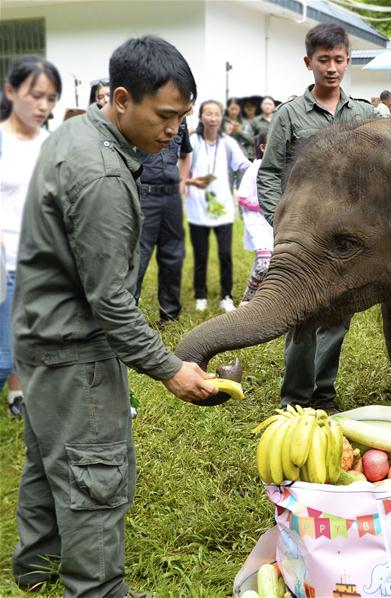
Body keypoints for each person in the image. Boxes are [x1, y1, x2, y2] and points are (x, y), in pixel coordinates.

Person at [11, 35, 213, 596]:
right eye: (165, 115)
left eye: (182, 118)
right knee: (94, 475)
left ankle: (36, 571)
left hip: (39, 333)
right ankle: (95, 589)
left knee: (49, 459)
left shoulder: (76, 130)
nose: (173, 131)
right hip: (74, 346)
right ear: (122, 99)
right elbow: (110, 301)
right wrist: (170, 367)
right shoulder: (101, 175)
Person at [257, 22, 377, 412]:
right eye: (323, 60)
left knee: (338, 315)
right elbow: (270, 172)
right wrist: (283, 223)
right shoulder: (290, 116)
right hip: (303, 237)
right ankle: (294, 399)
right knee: (299, 315)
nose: (331, 67)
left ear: (348, 62)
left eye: (339, 60)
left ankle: (323, 395)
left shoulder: (364, 114)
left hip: (344, 238)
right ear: (309, 62)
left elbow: (386, 164)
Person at [1, 55, 61, 419]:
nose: (44, 105)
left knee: (30, 336)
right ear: (10, 91)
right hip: (4, 259)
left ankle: (18, 393)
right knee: (4, 347)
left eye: (51, 98)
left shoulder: (53, 143)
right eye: (36, 95)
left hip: (40, 258)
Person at [184, 99, 251, 313]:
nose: (212, 118)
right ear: (201, 116)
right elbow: (183, 171)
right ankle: (200, 295)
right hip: (198, 207)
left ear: (221, 117)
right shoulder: (193, 141)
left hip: (222, 208)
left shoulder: (228, 143)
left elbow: (243, 165)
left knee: (224, 255)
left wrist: (258, 167)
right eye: (208, 114)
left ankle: (226, 296)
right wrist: (191, 182)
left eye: (216, 114)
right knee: (201, 255)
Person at [134, 116, 192, 326]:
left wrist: (182, 182)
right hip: (144, 195)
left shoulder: (182, 122)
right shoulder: (143, 114)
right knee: (138, 255)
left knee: (173, 254)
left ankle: (169, 315)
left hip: (171, 197)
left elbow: (185, 155)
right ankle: (128, 312)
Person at [236, 131, 273, 303]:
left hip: (273, 221)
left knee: (271, 261)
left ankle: (263, 299)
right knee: (264, 263)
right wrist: (265, 204)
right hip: (257, 221)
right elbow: (242, 197)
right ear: (263, 147)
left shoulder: (277, 168)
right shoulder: (255, 168)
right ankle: (247, 300)